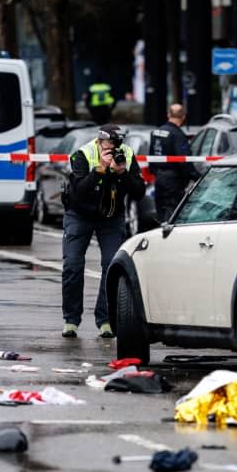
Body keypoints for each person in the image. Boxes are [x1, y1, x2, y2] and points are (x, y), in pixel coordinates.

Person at [61, 124, 145, 339]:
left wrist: (122, 172)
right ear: (100, 141)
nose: (114, 149)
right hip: (79, 215)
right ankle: (71, 319)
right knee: (72, 265)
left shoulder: (126, 155)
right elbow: (79, 191)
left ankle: (105, 319)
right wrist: (99, 169)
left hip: (111, 217)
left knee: (112, 266)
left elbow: (139, 191)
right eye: (110, 144)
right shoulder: (83, 155)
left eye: (118, 144)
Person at [149, 103, 199, 222]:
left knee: (161, 212)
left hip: (159, 178)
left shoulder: (156, 132)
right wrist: (196, 176)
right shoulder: (178, 135)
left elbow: (151, 156)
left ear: (168, 115)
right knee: (173, 215)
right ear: (183, 117)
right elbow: (183, 160)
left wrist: (156, 173)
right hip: (173, 180)